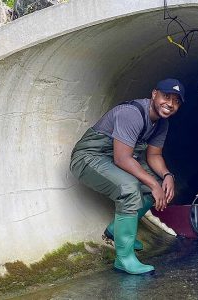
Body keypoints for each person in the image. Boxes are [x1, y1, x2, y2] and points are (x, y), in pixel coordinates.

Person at [70, 78, 185, 275]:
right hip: (89, 158)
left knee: (158, 188)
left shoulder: (161, 124)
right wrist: (152, 183)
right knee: (129, 188)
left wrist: (167, 176)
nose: (170, 104)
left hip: (117, 158)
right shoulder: (131, 114)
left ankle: (116, 231)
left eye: (176, 101)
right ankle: (124, 259)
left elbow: (154, 155)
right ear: (154, 94)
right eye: (166, 97)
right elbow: (122, 158)